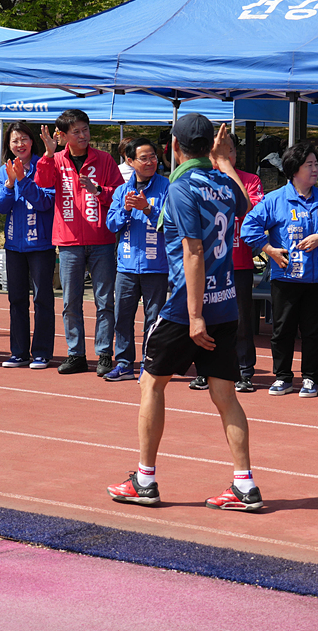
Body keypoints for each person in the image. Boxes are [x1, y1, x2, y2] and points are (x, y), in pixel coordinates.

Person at [107, 114, 259, 511]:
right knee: (225, 394)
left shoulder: (180, 187)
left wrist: (194, 316)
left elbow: (193, 253)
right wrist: (225, 161)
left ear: (174, 147)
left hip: (185, 307)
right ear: (210, 146)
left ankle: (145, 479)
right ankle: (245, 485)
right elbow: (243, 204)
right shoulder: (224, 183)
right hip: (226, 301)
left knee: (150, 384)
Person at [240, 141, 318, 399]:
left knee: (314, 331)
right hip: (286, 276)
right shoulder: (274, 200)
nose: (315, 169)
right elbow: (248, 228)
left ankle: (310, 378)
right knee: (282, 330)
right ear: (294, 170)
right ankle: (283, 377)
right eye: (309, 165)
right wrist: (268, 249)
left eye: (316, 164)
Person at [35, 109, 124, 376]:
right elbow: (42, 182)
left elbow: (119, 194)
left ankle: (105, 353)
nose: (83, 135)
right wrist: (49, 154)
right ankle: (76, 354)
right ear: (63, 136)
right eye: (76, 131)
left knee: (105, 299)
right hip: (69, 239)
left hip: (102, 239)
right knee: (70, 301)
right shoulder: (56, 160)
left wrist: (98, 191)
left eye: (85, 129)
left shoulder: (105, 159)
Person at [104, 137, 169, 381]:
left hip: (156, 266)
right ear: (130, 161)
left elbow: (171, 224)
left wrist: (148, 209)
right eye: (144, 158)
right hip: (127, 266)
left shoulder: (167, 187)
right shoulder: (122, 191)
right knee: (122, 317)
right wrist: (127, 209)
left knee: (154, 320)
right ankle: (123, 363)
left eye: (153, 156)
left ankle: (149, 364)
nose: (150, 161)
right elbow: (111, 224)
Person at [0, 122, 55, 369]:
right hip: (14, 246)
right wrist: (9, 184)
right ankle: (18, 352)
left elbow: (44, 203)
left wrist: (23, 180)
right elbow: (0, 206)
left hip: (41, 244)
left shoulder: (45, 166)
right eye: (14, 141)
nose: (19, 144)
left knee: (42, 299)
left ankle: (41, 352)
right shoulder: (3, 170)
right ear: (8, 145)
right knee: (16, 299)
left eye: (24, 139)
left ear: (32, 141)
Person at [218, 134, 263, 393]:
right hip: (210, 265)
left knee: (242, 321)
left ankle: (245, 371)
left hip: (240, 263)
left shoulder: (251, 180)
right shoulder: (204, 180)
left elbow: (251, 209)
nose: (226, 157)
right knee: (209, 320)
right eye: (221, 152)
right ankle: (208, 370)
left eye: (230, 151)